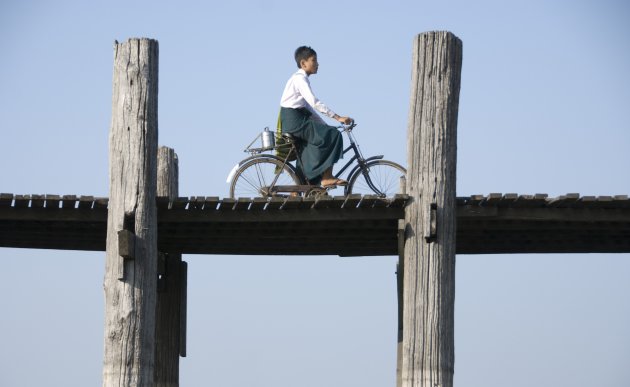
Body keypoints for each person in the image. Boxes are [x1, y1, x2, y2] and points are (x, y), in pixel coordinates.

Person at [279, 46, 353, 187]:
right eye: (314, 60)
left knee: (309, 148)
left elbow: (309, 109)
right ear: (303, 63)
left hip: (295, 119)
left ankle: (299, 187)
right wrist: (337, 117)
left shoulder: (299, 79)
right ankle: (327, 177)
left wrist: (324, 125)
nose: (317, 64)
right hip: (294, 119)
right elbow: (314, 102)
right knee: (333, 135)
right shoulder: (300, 79)